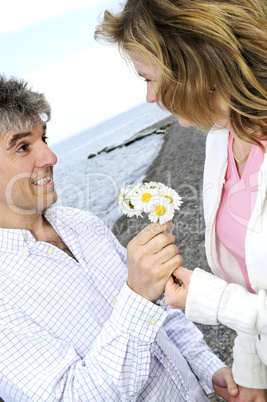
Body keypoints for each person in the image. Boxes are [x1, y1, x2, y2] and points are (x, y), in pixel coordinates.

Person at [0, 75, 238, 401]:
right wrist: (137, 294)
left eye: (44, 138)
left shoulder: (82, 223)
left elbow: (162, 310)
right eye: (23, 146)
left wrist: (209, 367)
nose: (51, 157)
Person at [94, 0, 267, 400]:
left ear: (190, 64)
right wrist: (252, 377)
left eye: (149, 79)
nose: (150, 97)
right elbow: (251, 283)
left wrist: (209, 300)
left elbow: (234, 298)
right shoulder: (221, 143)